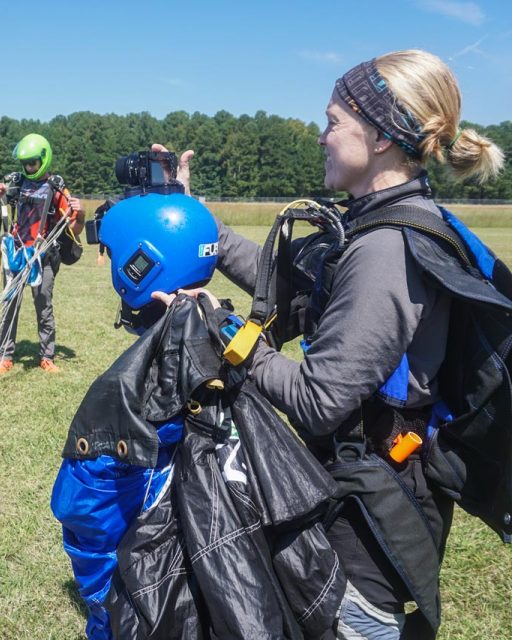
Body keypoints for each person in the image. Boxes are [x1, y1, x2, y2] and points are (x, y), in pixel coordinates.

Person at [155, 49, 505, 638]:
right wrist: (195, 222)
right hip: (355, 483)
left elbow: (320, 400)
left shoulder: (386, 248)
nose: (322, 137)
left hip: (372, 509)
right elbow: (288, 280)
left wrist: (224, 328)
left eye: (333, 122)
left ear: (382, 137)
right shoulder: (378, 222)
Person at [0, 133, 84, 375]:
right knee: (10, 306)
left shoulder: (57, 188)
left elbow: (74, 228)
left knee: (43, 305)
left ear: (44, 160)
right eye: (25, 163)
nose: (29, 167)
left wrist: (80, 213)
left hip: (45, 256)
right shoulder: (18, 184)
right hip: (18, 254)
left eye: (33, 163)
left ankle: (46, 356)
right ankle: (5, 357)